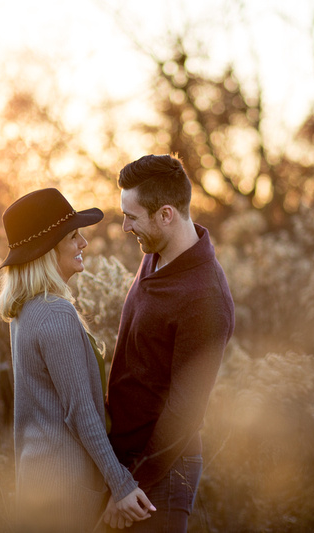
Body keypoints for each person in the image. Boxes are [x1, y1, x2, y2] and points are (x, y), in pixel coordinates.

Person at [0, 188, 155, 533]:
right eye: (73, 236)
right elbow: (80, 411)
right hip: (65, 491)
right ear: (45, 251)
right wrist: (122, 484)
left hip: (38, 482)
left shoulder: (26, 311)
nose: (83, 243)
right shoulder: (55, 313)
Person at [103, 155, 235, 532]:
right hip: (126, 461)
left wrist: (130, 485)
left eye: (132, 216)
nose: (126, 226)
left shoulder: (205, 299)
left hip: (160, 476)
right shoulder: (156, 253)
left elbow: (184, 413)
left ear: (166, 215)